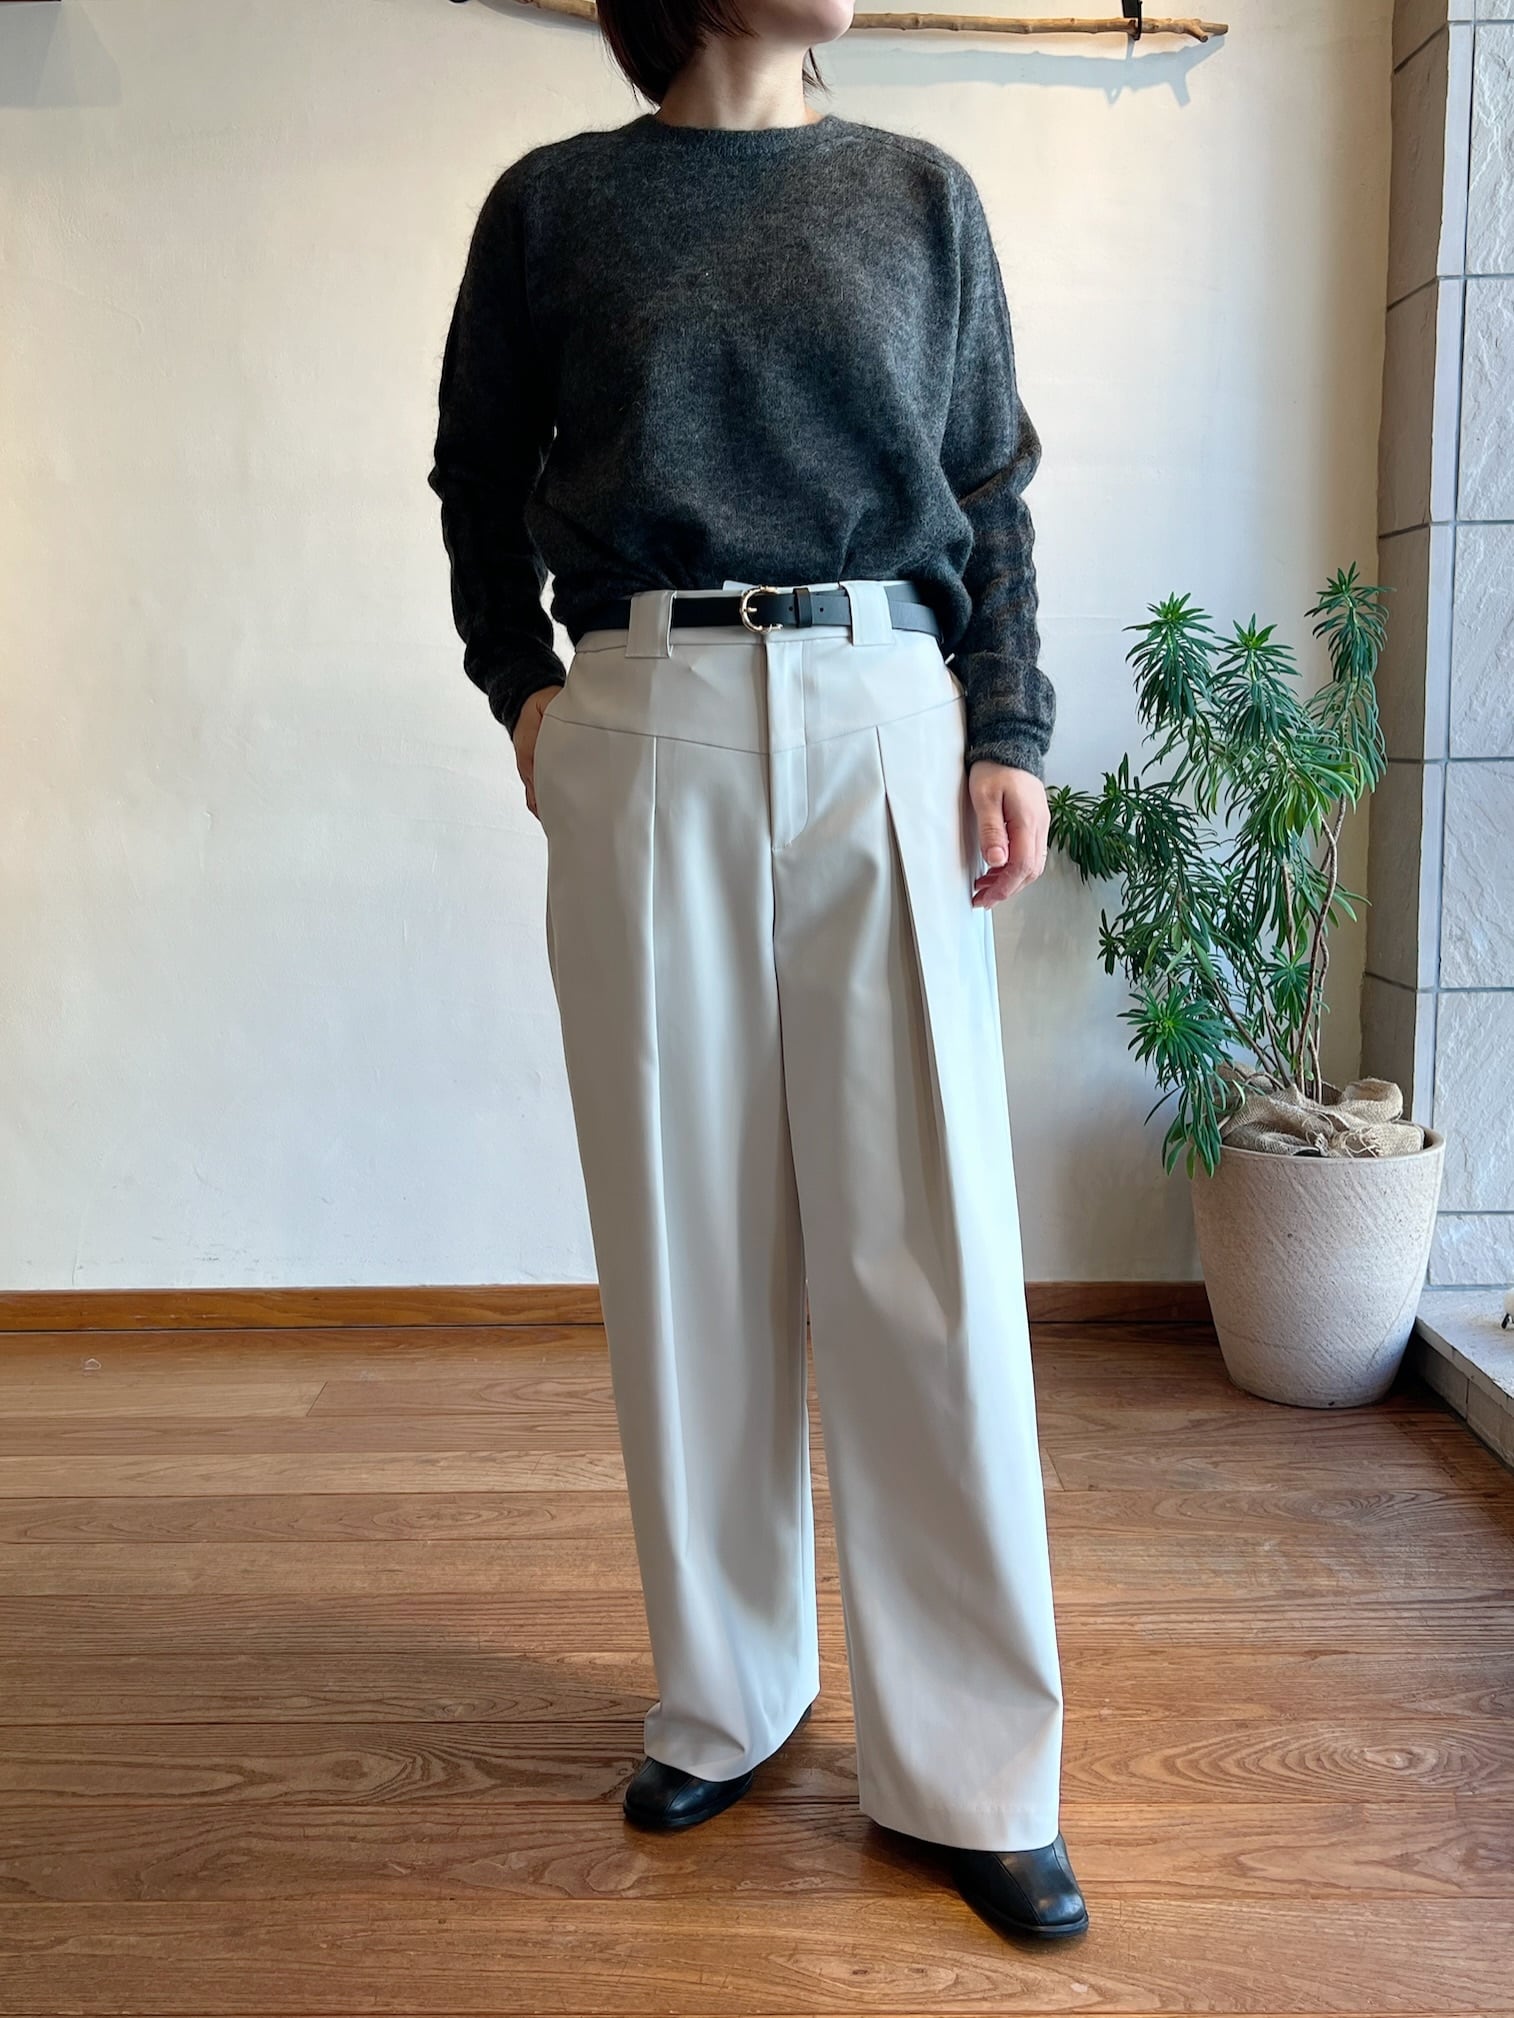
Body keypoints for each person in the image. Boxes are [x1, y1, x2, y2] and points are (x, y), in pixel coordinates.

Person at [426, 0, 1088, 1945]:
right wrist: (524, 693)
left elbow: (987, 488)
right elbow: (474, 473)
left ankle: (974, 1768)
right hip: (647, 713)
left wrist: (1006, 727)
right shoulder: (555, 207)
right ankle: (728, 1690)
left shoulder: (917, 195)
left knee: (925, 1248)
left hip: (884, 700)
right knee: (684, 1230)